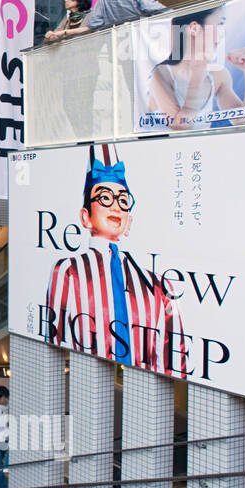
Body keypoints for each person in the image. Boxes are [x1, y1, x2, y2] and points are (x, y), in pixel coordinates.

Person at [42, 143, 186, 374]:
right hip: (86, 375)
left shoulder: (158, 285)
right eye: (105, 199)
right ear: (85, 216)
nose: (116, 207)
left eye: (123, 200)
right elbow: (54, 338)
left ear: (130, 219)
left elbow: (173, 361)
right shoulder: (68, 271)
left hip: (144, 387)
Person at [144, 5, 245, 131]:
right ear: (194, 28)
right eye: (219, 23)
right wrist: (198, 73)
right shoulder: (161, 73)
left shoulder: (218, 75)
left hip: (202, 149)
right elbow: (180, 126)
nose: (224, 33)